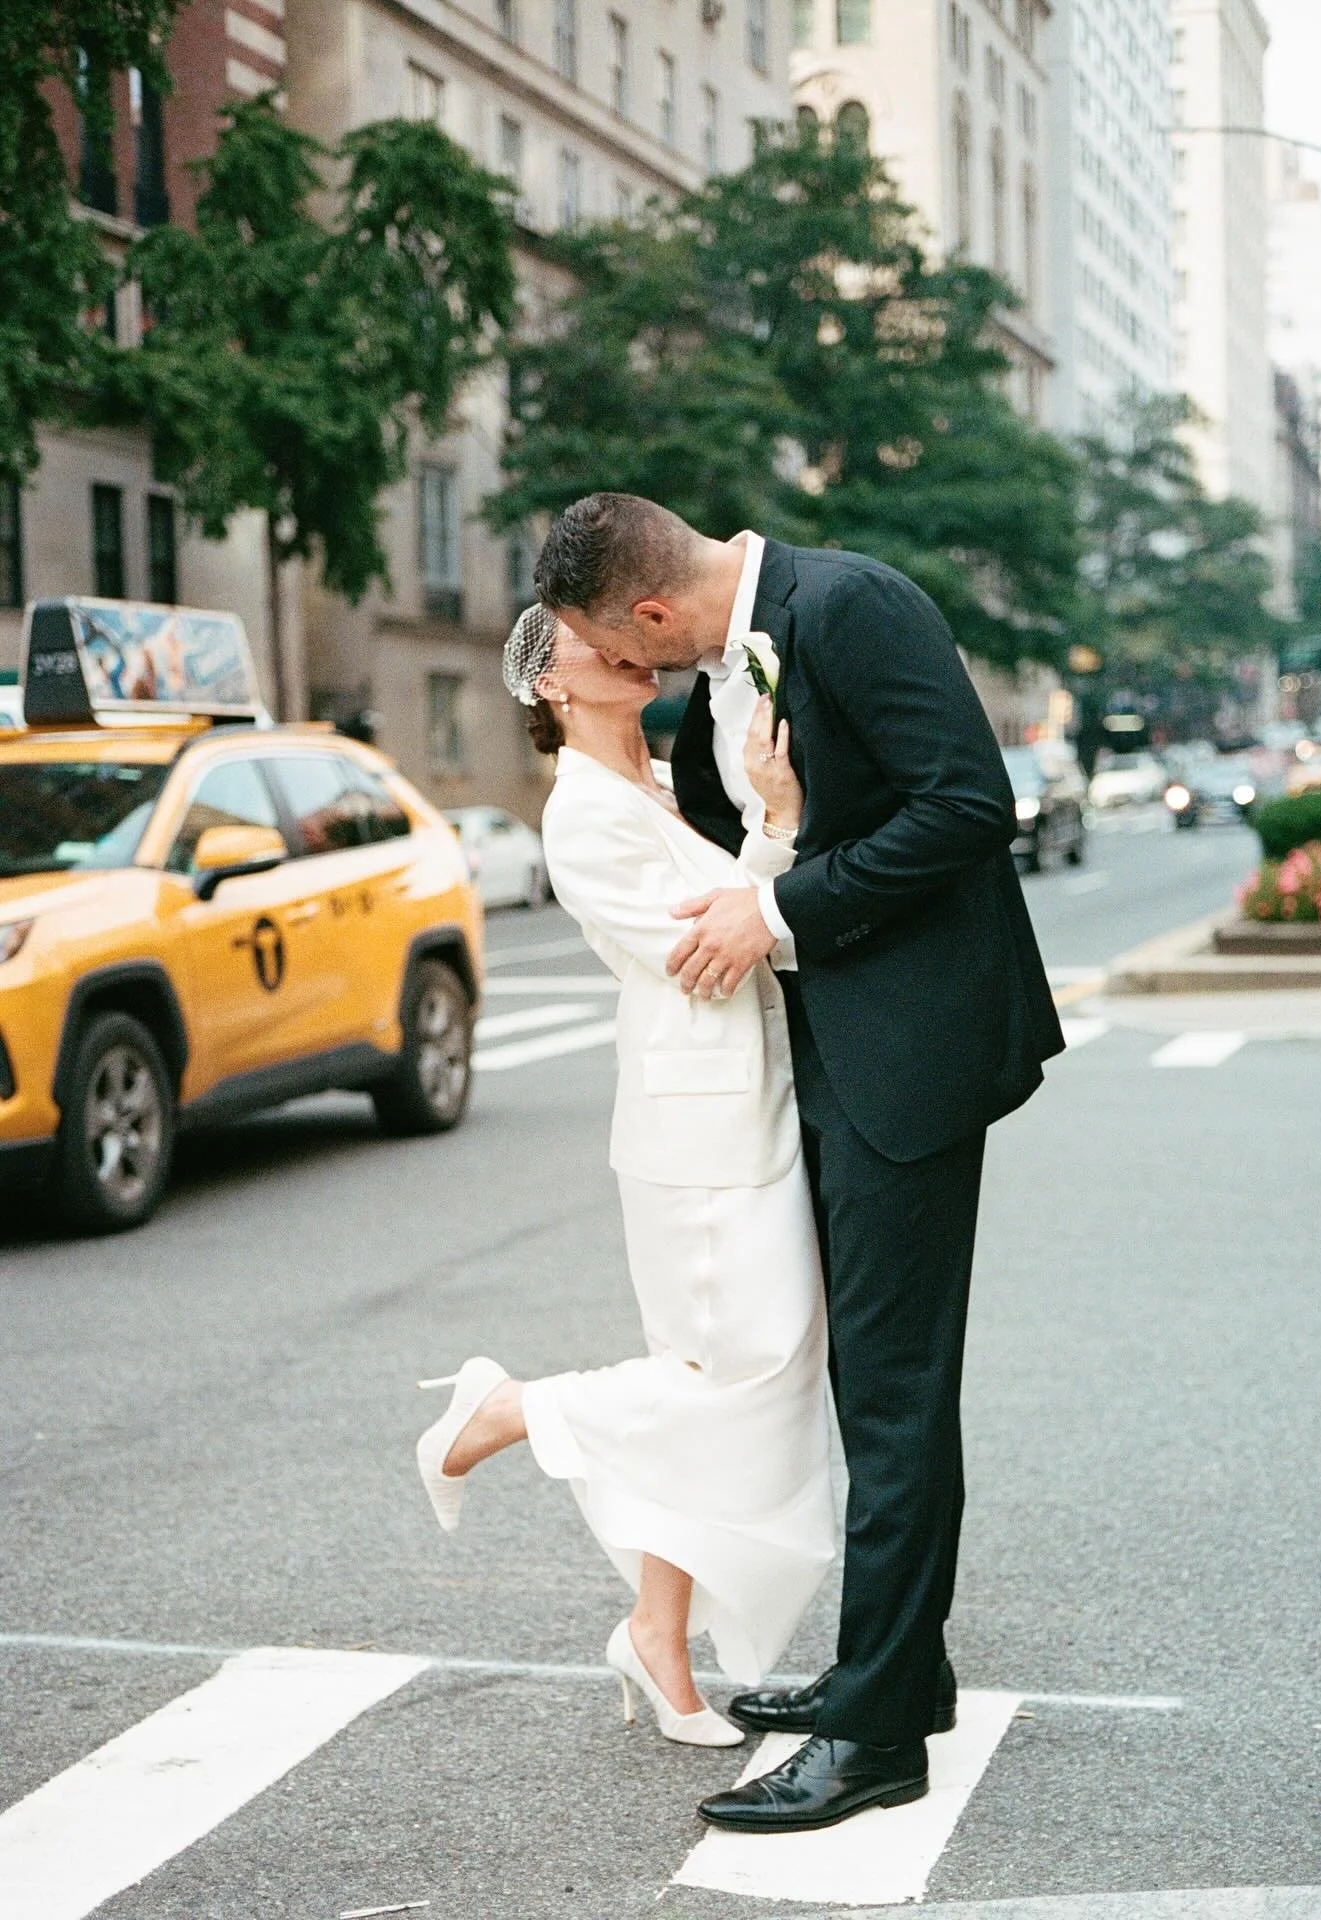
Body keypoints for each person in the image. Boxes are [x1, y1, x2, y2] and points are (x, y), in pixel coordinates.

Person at [533, 494, 1064, 1834]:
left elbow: (967, 803)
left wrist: (777, 902)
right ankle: (900, 1672)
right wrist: (770, 850)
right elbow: (760, 832)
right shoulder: (736, 655)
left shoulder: (850, 605)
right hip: (824, 1053)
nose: (638, 679)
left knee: (891, 1396)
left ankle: (877, 1737)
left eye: (625, 649)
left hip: (909, 1055)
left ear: (647, 609)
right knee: (862, 1381)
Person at [415, 605, 834, 1750]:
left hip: (750, 1108)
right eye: (596, 641)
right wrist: (779, 859)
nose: (625, 646)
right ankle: (510, 1409)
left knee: (734, 1371)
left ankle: (657, 1632)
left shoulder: (655, 780)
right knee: (736, 1378)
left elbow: (737, 915)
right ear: (553, 682)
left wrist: (776, 818)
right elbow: (703, 954)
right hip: (694, 1138)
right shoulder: (581, 818)